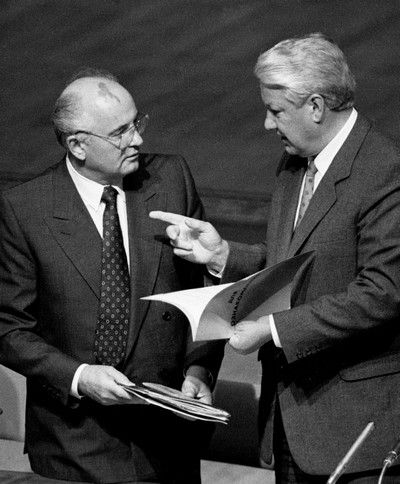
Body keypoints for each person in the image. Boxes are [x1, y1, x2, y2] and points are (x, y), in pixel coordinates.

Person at [150, 33, 400, 482]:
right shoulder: (293, 164)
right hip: (288, 419)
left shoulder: (385, 172)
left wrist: (272, 329)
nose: (267, 124)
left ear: (317, 107)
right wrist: (224, 256)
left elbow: (382, 292)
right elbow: (296, 262)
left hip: (356, 434)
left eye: (276, 111)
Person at [0, 68, 223, 484]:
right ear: (78, 145)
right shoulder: (24, 210)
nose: (137, 139)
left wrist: (199, 370)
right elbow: (9, 328)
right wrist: (80, 378)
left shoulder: (171, 180)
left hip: (166, 437)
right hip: (73, 445)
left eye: (137, 123)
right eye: (120, 132)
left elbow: (205, 295)